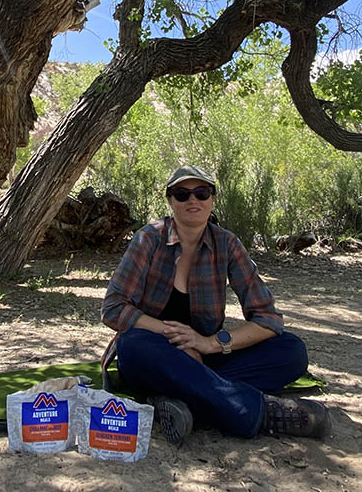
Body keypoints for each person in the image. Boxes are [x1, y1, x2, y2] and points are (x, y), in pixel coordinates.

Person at [101, 165, 331, 445]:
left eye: (201, 192)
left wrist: (208, 344)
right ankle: (256, 413)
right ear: (170, 201)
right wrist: (175, 337)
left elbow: (268, 319)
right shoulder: (149, 238)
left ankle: (183, 402)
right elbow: (114, 308)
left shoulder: (227, 244)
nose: (193, 200)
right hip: (155, 351)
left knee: (291, 350)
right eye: (182, 194)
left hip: (206, 353)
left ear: (212, 198)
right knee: (133, 345)